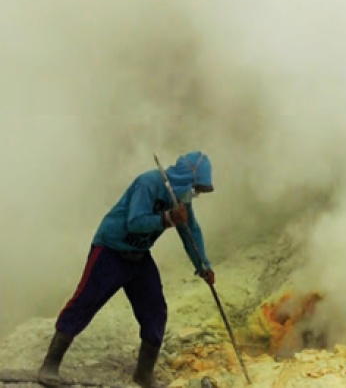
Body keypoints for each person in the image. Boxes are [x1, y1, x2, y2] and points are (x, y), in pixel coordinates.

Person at [37, 151, 216, 388]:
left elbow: (190, 229)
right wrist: (167, 218)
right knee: (85, 301)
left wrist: (203, 265)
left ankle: (144, 374)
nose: (194, 194)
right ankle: (50, 364)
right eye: (195, 189)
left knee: (155, 310)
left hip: (139, 256)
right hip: (110, 250)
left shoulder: (181, 199)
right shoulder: (148, 184)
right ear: (186, 178)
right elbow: (135, 221)